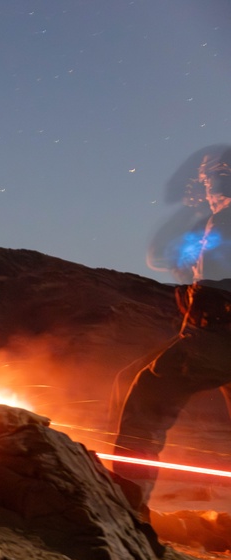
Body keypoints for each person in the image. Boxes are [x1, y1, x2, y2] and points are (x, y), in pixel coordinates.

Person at [113, 147, 231, 513]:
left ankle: (127, 508)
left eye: (209, 180)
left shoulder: (225, 219)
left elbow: (165, 254)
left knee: (145, 398)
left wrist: (199, 294)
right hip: (211, 336)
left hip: (214, 340)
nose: (206, 189)